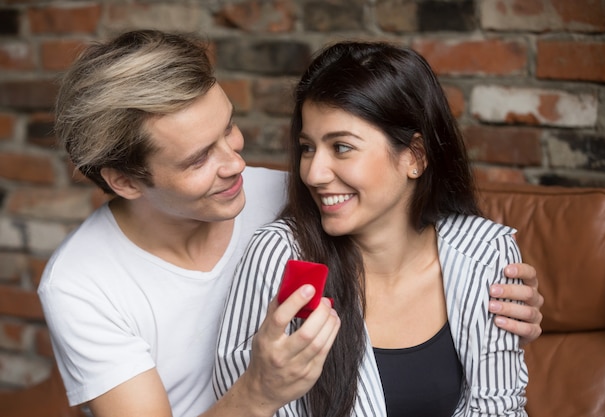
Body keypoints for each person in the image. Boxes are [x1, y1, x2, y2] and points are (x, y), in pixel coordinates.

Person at [37, 30, 540, 417]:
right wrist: (257, 391)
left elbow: (420, 225)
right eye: (197, 160)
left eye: (229, 129)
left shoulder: (308, 197)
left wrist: (501, 296)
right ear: (125, 181)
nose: (237, 165)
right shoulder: (82, 286)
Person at [213, 41, 530, 416]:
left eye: (342, 147)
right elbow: (244, 401)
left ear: (414, 156)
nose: (313, 173)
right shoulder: (281, 256)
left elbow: (500, 409)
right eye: (308, 148)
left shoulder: (487, 254)